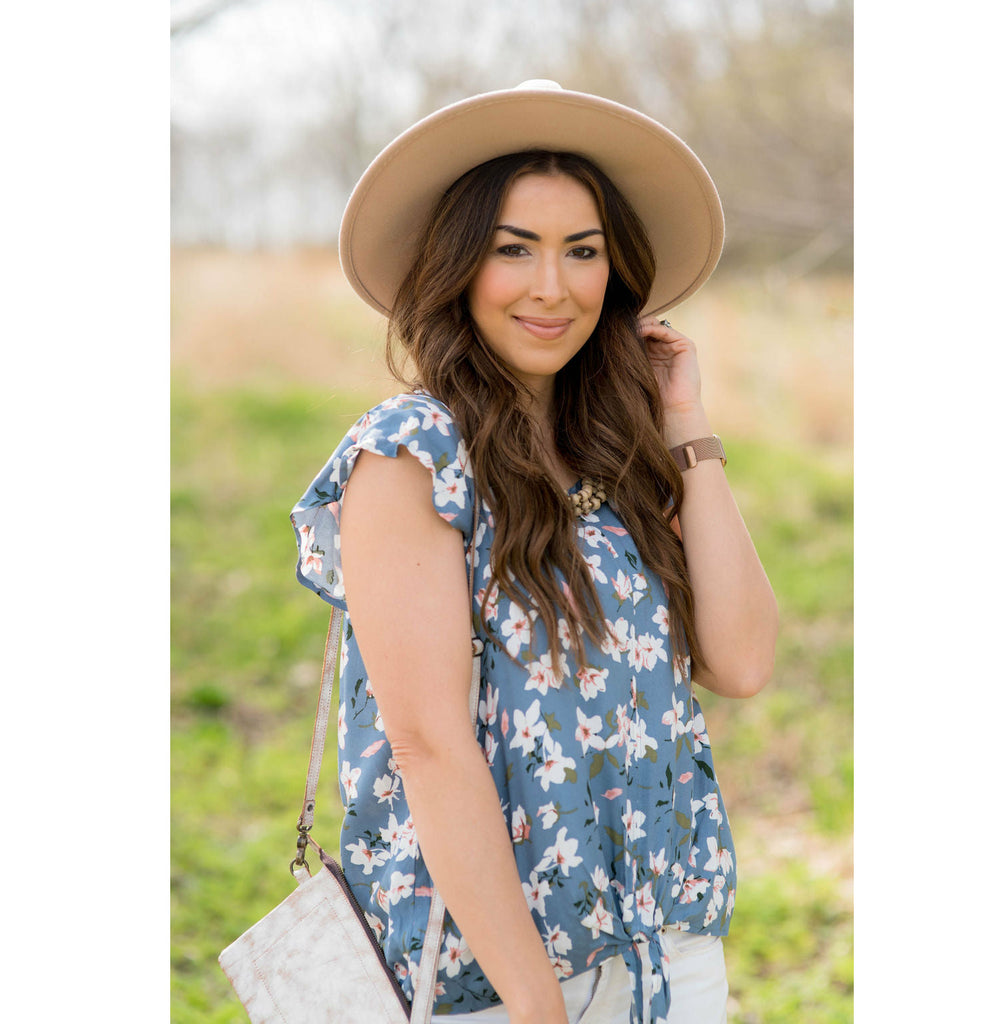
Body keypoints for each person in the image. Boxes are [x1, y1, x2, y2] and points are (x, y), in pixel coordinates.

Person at [291, 81, 777, 1024]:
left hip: (667, 951)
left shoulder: (618, 459)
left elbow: (743, 661)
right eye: (514, 249)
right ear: (458, 266)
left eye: (581, 251)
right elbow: (429, 747)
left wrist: (685, 422)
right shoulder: (409, 455)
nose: (552, 286)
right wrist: (536, 1006)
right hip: (485, 975)